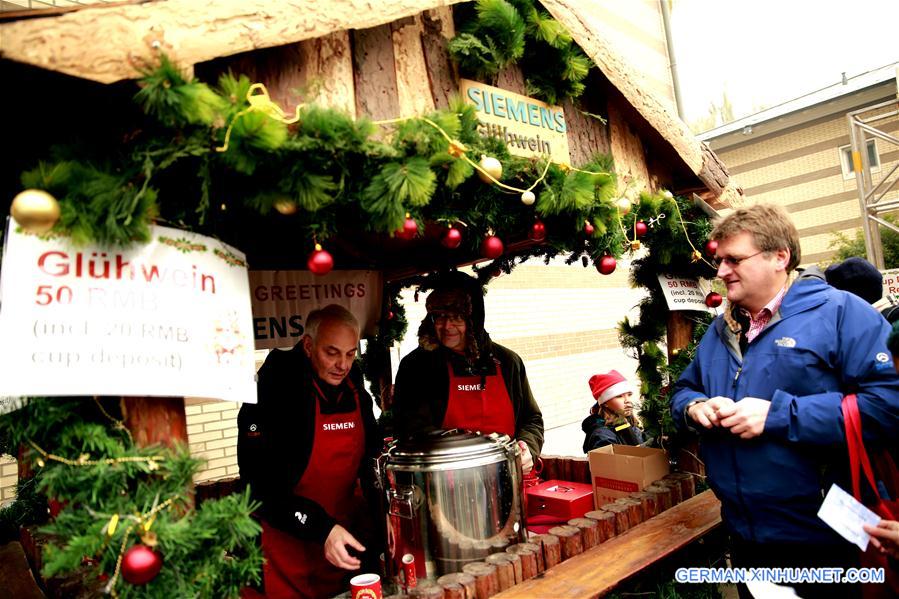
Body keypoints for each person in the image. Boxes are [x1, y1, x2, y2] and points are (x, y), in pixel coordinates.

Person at [670, 203, 899, 599]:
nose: (721, 271)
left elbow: (887, 406)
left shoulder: (844, 314)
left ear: (780, 257)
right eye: (719, 260)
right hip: (746, 540)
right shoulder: (721, 330)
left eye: (734, 259)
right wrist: (694, 407)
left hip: (825, 542)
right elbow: (684, 390)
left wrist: (778, 416)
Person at [238, 305, 381, 599]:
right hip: (282, 549)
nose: (342, 364)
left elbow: (372, 457)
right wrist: (320, 527)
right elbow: (259, 484)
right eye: (332, 352)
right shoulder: (272, 389)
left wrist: (382, 515)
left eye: (350, 354)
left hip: (339, 541)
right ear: (308, 345)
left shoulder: (353, 386)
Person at [392, 271, 543, 472]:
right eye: (440, 317)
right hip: (445, 487)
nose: (447, 326)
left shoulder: (508, 362)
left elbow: (531, 419)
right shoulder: (417, 367)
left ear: (474, 319)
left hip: (508, 481)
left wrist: (528, 448)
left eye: (456, 317)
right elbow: (410, 432)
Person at [582, 370, 644, 452]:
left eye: (629, 394)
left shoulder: (630, 423)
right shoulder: (603, 435)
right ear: (605, 403)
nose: (627, 400)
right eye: (619, 396)